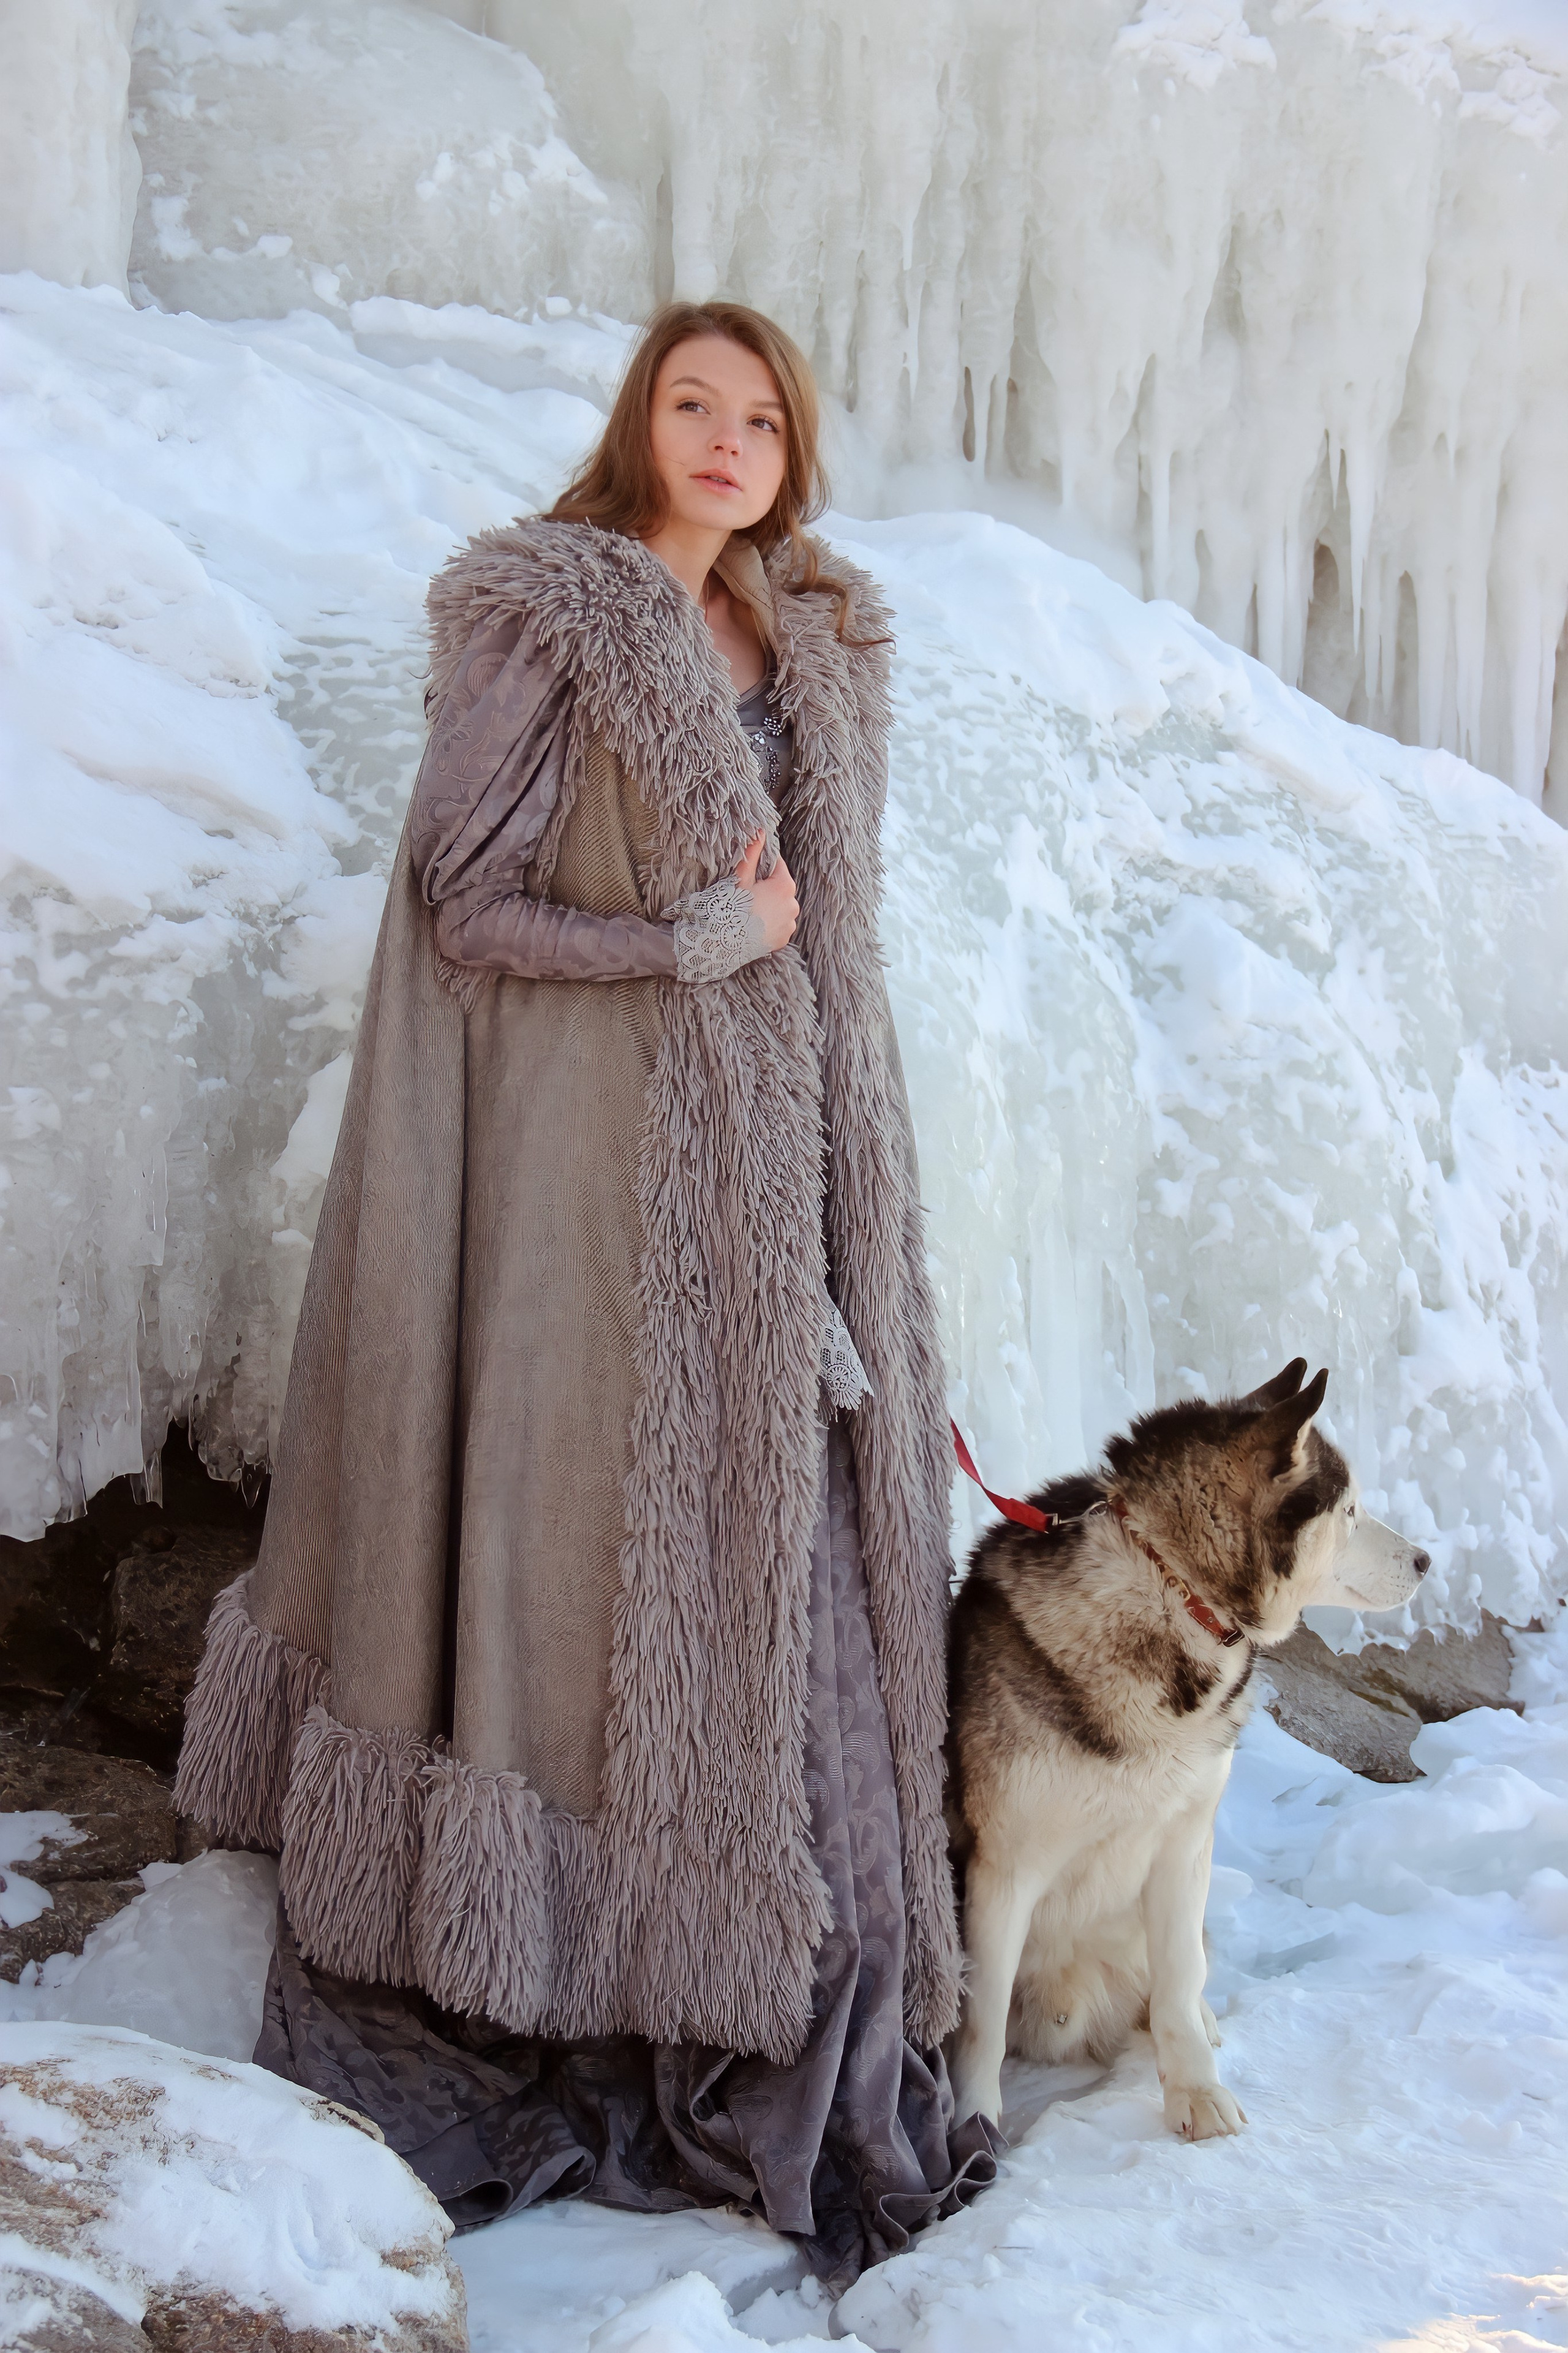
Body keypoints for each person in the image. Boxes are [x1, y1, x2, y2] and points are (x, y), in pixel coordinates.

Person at [175, 299, 998, 2289]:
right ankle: (590, 1977)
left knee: (786, 1581)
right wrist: (696, 938)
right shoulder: (548, 616)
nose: (726, 438)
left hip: (794, 1198)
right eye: (689, 404)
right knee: (609, 1590)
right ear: (638, 425)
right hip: (610, 1210)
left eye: (760, 413)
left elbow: (829, 947)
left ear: (798, 449)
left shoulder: (813, 640)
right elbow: (466, 897)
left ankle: (785, 1993)